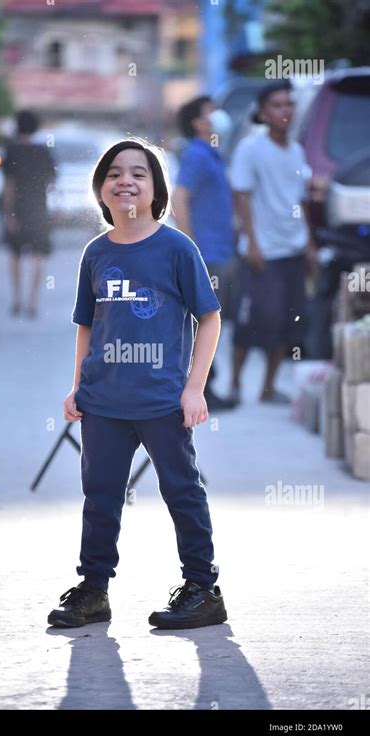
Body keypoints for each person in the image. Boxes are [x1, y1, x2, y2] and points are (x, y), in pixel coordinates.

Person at [47, 138, 228, 630]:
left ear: (156, 190)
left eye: (139, 173)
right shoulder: (96, 253)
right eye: (114, 173)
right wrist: (77, 385)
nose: (125, 180)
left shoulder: (176, 248)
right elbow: (88, 324)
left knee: (181, 490)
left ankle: (202, 588)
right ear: (101, 190)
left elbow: (209, 318)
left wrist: (194, 388)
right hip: (103, 401)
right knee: (100, 494)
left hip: (161, 401)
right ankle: (93, 591)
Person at [229, 81, 316, 403]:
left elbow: (301, 200)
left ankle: (268, 387)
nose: (285, 111)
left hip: (292, 250)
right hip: (263, 253)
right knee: (251, 321)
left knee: (289, 322)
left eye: (289, 105)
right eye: (277, 105)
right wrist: (252, 244)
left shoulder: (296, 151)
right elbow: (242, 195)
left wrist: (308, 244)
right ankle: (236, 384)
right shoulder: (250, 148)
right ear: (263, 112)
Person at [173, 96, 237, 411]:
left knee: (209, 320)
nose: (219, 116)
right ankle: (203, 388)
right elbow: (180, 198)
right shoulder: (197, 155)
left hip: (219, 250)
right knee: (204, 321)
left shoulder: (212, 154)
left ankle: (206, 384)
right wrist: (190, 247)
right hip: (206, 253)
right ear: (198, 123)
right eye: (212, 112)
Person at [2, 110, 56, 318]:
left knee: (15, 254)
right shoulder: (43, 151)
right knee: (39, 255)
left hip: (18, 208)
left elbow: (9, 185)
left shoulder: (11, 150)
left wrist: (8, 214)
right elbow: (52, 184)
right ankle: (32, 302)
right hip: (39, 209)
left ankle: (17, 299)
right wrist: (56, 208)